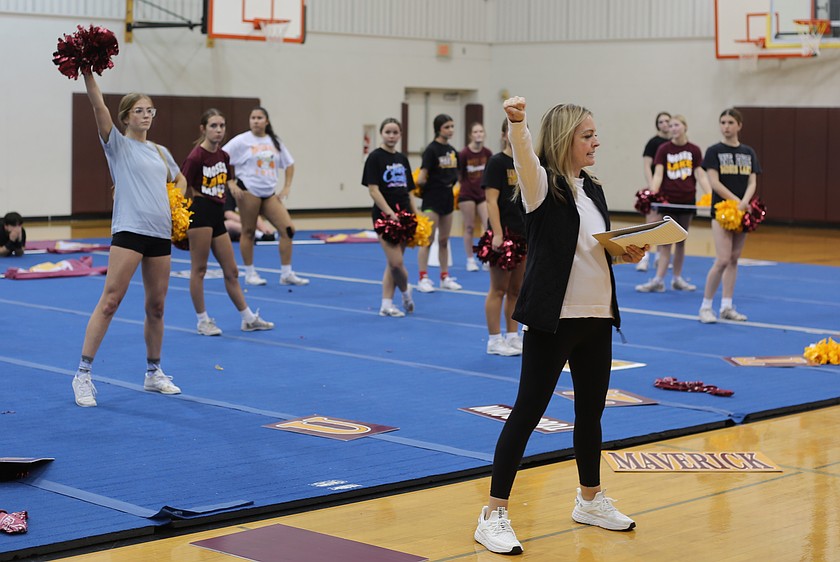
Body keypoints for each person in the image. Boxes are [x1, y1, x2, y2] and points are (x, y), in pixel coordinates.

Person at [473, 97, 645, 555]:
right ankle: (492, 514)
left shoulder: (593, 189)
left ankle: (590, 500)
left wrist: (622, 252)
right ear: (566, 139)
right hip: (555, 320)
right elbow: (524, 156)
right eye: (587, 135)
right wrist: (518, 123)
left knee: (590, 414)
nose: (596, 142)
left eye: (595, 134)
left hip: (597, 318)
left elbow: (590, 248)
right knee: (527, 412)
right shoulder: (541, 186)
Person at [72, 72, 186, 408]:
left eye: (150, 110)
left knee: (157, 306)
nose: (146, 115)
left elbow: (179, 179)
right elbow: (98, 106)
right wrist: (88, 74)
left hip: (159, 234)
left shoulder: (160, 152)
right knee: (110, 301)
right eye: (139, 110)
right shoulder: (118, 145)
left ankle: (153, 372)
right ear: (125, 117)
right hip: (129, 232)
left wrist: (176, 202)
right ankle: (83, 374)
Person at [180, 108, 275, 336]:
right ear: (203, 129)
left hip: (217, 215)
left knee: (232, 271)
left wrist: (233, 186)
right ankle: (203, 320)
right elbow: (181, 185)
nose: (219, 130)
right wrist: (177, 215)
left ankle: (248, 318)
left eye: (222, 126)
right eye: (213, 126)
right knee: (199, 269)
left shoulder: (223, 156)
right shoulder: (195, 157)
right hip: (200, 214)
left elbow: (227, 179)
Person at [223, 107, 308, 287]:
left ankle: (286, 273)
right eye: (252, 117)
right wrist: (230, 182)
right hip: (248, 190)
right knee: (248, 231)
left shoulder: (274, 141)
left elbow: (289, 164)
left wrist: (286, 187)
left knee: (288, 229)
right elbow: (221, 158)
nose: (255, 121)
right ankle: (250, 273)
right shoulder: (242, 140)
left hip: (268, 193)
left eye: (259, 118)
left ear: (266, 121)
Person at [698, 108, 761, 324]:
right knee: (723, 259)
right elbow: (714, 182)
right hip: (722, 211)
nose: (726, 126)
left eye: (730, 122)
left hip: (742, 211)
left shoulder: (748, 152)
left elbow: (752, 181)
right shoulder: (714, 151)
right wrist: (736, 201)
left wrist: (745, 202)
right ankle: (706, 306)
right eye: (723, 122)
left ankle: (726, 305)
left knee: (734, 259)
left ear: (739, 125)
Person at [635, 115, 711, 293]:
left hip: (687, 202)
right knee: (666, 242)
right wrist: (652, 195)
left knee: (681, 242)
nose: (673, 128)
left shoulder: (694, 150)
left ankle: (677, 278)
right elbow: (658, 174)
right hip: (668, 201)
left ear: (685, 127)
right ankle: (658, 280)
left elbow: (700, 175)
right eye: (671, 126)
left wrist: (710, 196)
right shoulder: (664, 149)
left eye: (677, 125)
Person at [362, 118, 417, 317]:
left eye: (395, 132)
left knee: (393, 264)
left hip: (404, 215)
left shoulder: (402, 159)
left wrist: (415, 215)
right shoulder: (375, 158)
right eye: (388, 132)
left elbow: (409, 190)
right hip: (385, 217)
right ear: (381, 133)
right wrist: (389, 213)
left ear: (400, 134)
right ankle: (406, 292)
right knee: (396, 263)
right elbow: (373, 190)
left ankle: (386, 304)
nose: (391, 136)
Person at [482, 120, 526, 356]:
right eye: (510, 131)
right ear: (503, 135)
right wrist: (497, 233)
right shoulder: (497, 162)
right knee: (498, 289)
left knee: (516, 289)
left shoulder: (526, 163)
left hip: (523, 234)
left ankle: (512, 335)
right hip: (503, 234)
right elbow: (491, 201)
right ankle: (494, 339)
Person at [415, 114, 462, 293]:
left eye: (452, 126)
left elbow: (456, 175)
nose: (451, 130)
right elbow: (420, 178)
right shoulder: (431, 150)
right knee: (427, 239)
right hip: (432, 198)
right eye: (447, 127)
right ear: (438, 129)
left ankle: (444, 276)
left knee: (443, 240)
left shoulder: (452, 151)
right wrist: (431, 185)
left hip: (447, 197)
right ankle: (423, 278)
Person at [637, 111, 671, 272]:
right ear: (657, 125)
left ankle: (660, 257)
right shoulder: (653, 143)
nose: (664, 124)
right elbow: (646, 166)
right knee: (650, 225)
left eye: (667, 121)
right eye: (661, 122)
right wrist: (652, 188)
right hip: (655, 189)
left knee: (665, 225)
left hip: (670, 190)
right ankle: (643, 258)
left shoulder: (673, 142)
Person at [458, 122, 492, 272]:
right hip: (467, 194)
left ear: (484, 134)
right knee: (469, 227)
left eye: (480, 131)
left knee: (488, 226)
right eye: (475, 132)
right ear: (470, 135)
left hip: (483, 193)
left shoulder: (487, 153)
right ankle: (470, 259)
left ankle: (486, 256)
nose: (478, 134)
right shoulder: (464, 153)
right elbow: (460, 174)